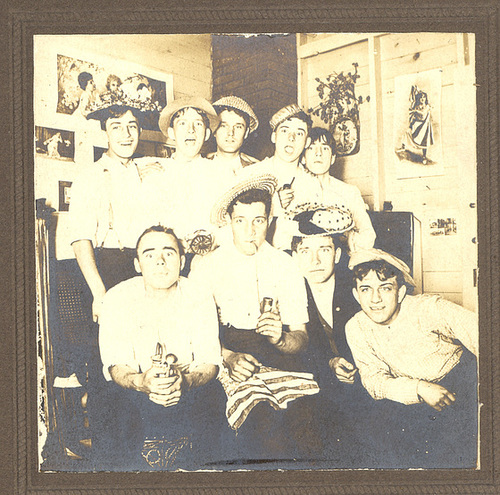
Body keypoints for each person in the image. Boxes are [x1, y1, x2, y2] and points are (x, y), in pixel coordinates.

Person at [191, 176, 321, 464]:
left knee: (306, 416)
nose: (250, 231)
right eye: (241, 221)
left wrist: (281, 338)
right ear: (228, 220)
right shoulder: (207, 266)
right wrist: (228, 357)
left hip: (276, 354)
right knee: (258, 420)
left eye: (258, 221)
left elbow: (300, 338)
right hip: (226, 353)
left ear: (270, 219)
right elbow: (193, 336)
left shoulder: (285, 265)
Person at [96, 226, 222, 470]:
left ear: (182, 261)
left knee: (213, 400)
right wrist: (141, 381)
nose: (160, 262)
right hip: (134, 384)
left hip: (187, 384)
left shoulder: (200, 295)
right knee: (108, 403)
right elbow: (116, 366)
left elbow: (210, 362)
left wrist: (185, 381)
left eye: (169, 253)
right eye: (149, 254)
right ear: (137, 264)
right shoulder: (116, 298)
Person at [345, 248, 478, 468]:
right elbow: (374, 381)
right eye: (365, 289)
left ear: (400, 292)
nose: (375, 299)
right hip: (414, 394)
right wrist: (419, 388)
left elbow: (483, 334)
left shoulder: (427, 308)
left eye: (385, 288)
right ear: (355, 294)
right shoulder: (355, 327)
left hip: (462, 383)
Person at [289, 205, 376, 466]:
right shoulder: (287, 291)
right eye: (305, 251)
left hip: (366, 382)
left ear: (337, 254)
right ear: (294, 256)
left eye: (324, 250)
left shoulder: (359, 285)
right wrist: (330, 363)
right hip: (319, 388)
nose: (314, 261)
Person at [295, 127, 376, 253]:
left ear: (332, 158)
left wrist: (347, 237)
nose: (318, 153)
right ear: (303, 158)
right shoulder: (294, 192)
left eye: (325, 148)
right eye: (311, 148)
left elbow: (369, 236)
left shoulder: (349, 192)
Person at [207, 95, 259, 174]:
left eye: (238, 127)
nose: (231, 133)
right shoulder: (199, 166)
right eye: (224, 126)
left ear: (246, 133)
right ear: (214, 130)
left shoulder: (255, 171)